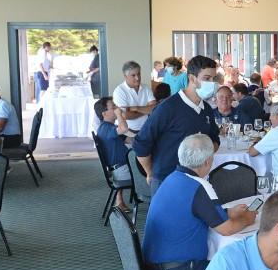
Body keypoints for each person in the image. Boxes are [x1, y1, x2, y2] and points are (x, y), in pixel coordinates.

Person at [143, 135, 256, 270]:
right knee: (238, 268)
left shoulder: (172, 178)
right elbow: (227, 229)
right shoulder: (200, 186)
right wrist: (247, 218)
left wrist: (229, 212)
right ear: (207, 162)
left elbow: (194, 210)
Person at [133, 56, 221, 194]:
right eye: (207, 78)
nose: (212, 83)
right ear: (192, 79)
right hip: (166, 178)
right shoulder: (167, 107)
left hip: (196, 180)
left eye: (214, 79)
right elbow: (141, 143)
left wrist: (204, 155)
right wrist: (151, 173)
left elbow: (215, 139)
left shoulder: (207, 109)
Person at [94, 97, 133, 213]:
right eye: (113, 107)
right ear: (104, 113)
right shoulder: (106, 129)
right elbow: (124, 128)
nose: (117, 109)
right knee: (154, 171)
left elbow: (129, 140)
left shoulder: (108, 128)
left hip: (120, 169)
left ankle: (119, 201)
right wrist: (120, 115)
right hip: (122, 171)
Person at [113, 61, 156, 133]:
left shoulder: (145, 88)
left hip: (145, 128)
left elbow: (154, 108)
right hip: (128, 132)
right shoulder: (119, 91)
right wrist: (146, 110)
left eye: (139, 74)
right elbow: (126, 115)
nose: (137, 78)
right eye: (133, 75)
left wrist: (136, 108)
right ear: (125, 76)